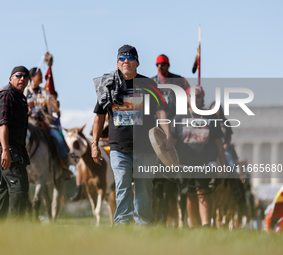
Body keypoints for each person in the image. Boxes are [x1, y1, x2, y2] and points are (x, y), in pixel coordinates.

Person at [91, 45, 166, 225]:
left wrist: (168, 135)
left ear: (137, 63)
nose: (126, 61)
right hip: (119, 146)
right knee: (122, 184)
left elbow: (161, 111)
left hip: (146, 147)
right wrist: (94, 144)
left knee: (144, 188)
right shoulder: (107, 85)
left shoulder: (149, 84)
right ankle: (122, 224)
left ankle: (144, 225)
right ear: (117, 63)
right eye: (122, 58)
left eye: (130, 58)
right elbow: (99, 118)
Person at [168, 86, 227, 228]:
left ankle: (206, 225)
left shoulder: (211, 116)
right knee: (190, 193)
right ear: (187, 99)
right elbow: (172, 143)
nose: (195, 99)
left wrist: (223, 164)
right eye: (192, 97)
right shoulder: (179, 117)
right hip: (185, 163)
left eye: (198, 96)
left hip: (206, 163)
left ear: (202, 98)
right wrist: (168, 161)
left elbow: (219, 143)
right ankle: (194, 226)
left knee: (203, 192)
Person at [0, 66, 30, 221]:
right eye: (18, 75)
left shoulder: (19, 97)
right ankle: (15, 229)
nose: (22, 78)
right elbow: (3, 124)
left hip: (15, 146)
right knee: (18, 187)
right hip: (4, 146)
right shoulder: (7, 95)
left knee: (6, 189)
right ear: (10, 78)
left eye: (26, 76)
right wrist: (5, 150)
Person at [25, 67, 69, 170]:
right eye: (39, 75)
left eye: (41, 75)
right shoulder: (25, 91)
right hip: (29, 122)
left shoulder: (45, 92)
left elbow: (54, 109)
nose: (41, 77)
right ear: (32, 77)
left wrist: (56, 106)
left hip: (46, 123)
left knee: (60, 140)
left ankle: (64, 165)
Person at [152, 54, 190, 120]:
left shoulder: (180, 80)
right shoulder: (152, 82)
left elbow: (190, 93)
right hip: (157, 118)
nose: (160, 66)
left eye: (162, 64)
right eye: (157, 65)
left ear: (168, 65)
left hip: (177, 117)